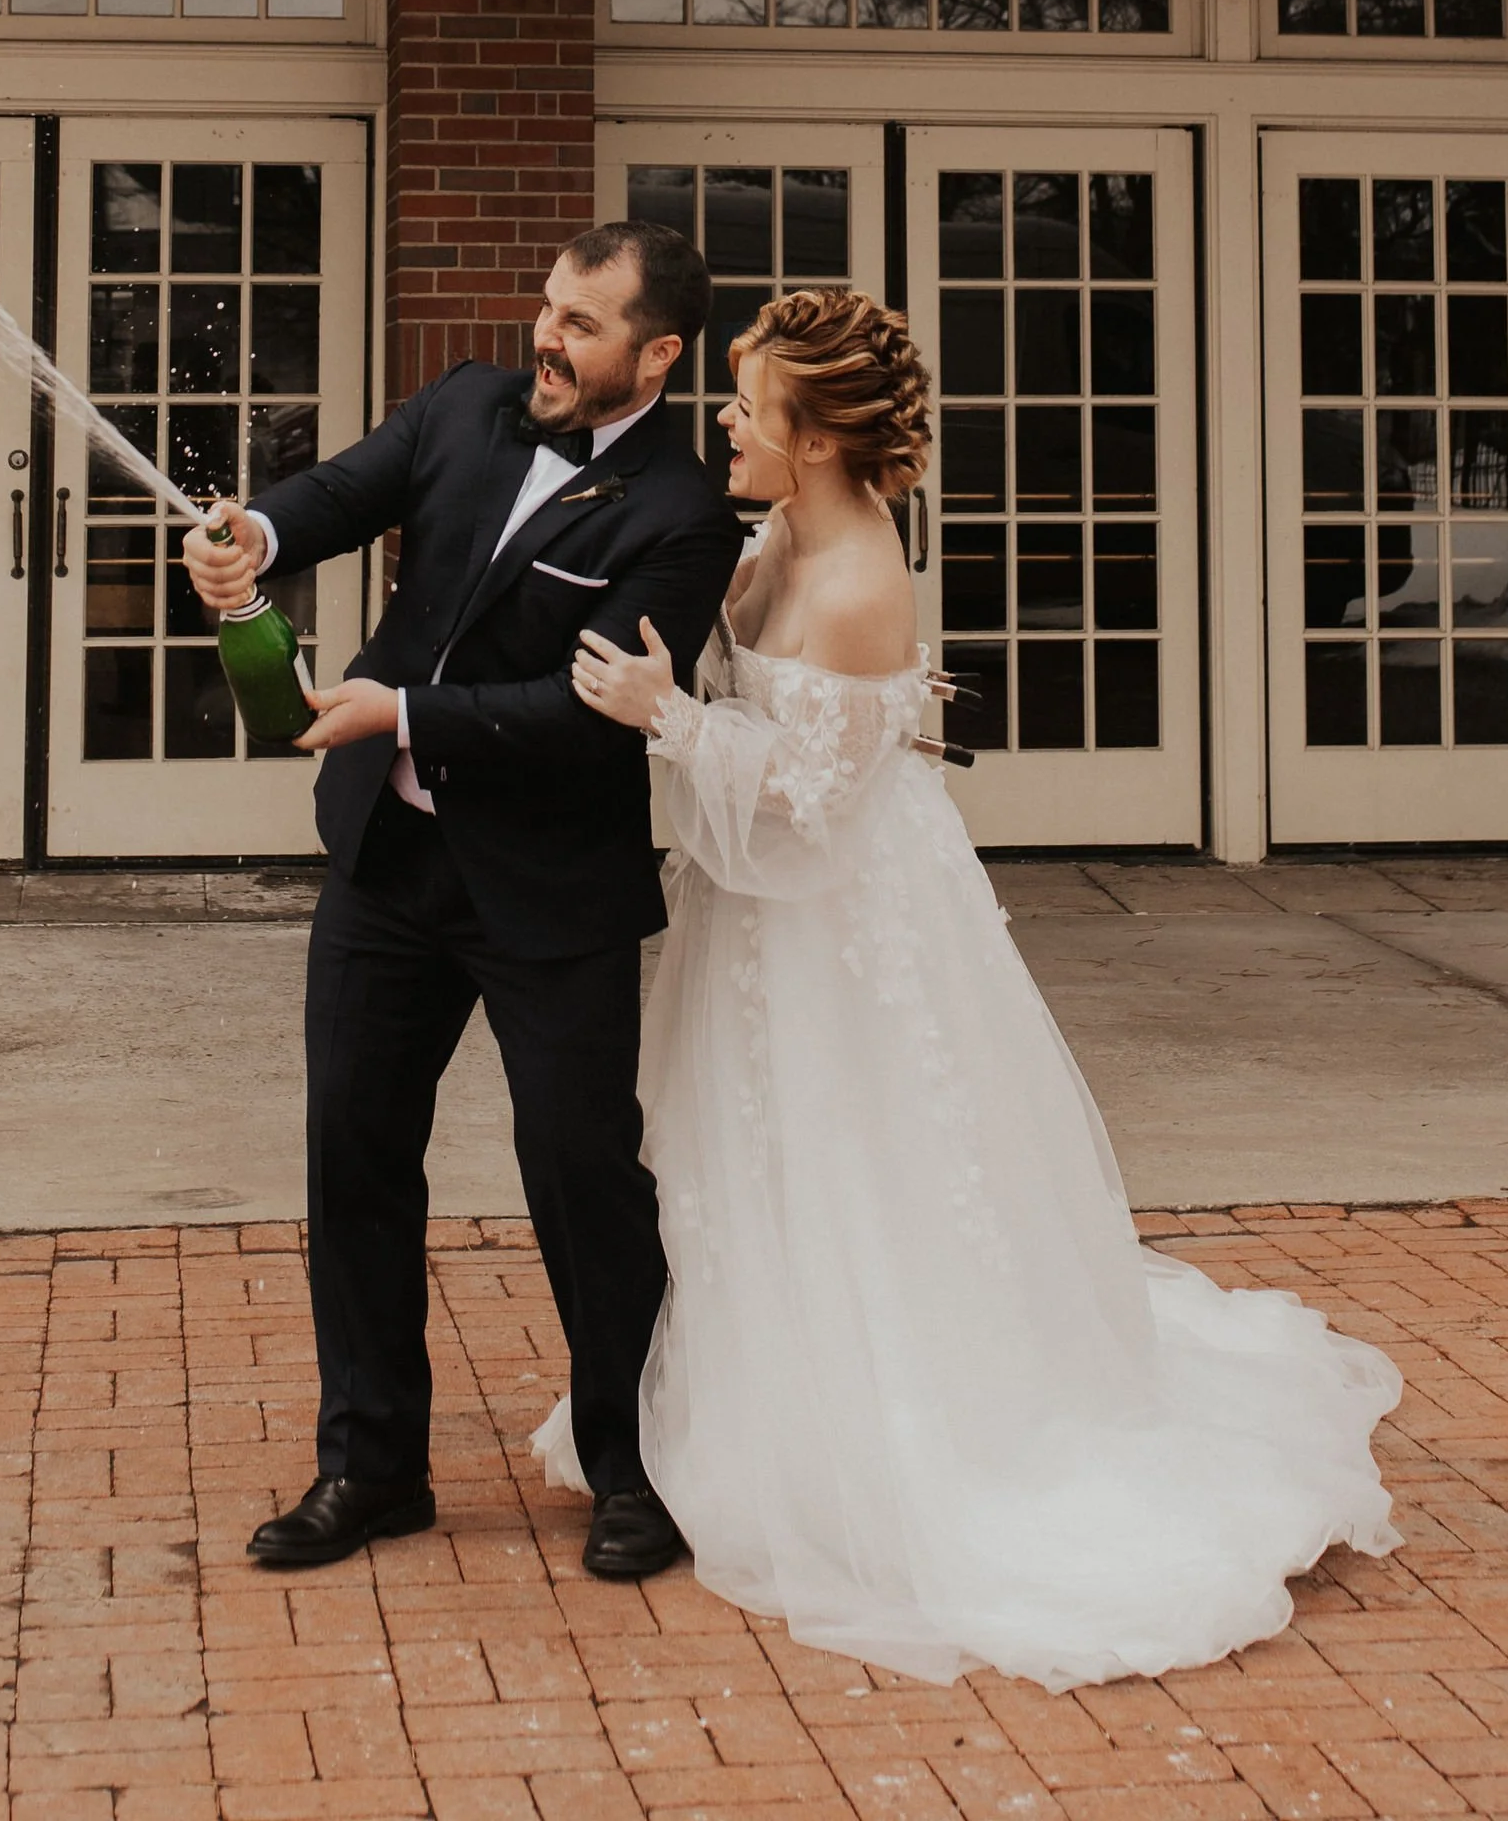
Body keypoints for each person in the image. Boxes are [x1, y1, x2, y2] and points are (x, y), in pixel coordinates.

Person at [562, 284, 1402, 1691]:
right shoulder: (778, 533)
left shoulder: (856, 581)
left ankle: (900, 1431)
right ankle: (755, 1400)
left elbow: (814, 818)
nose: (720, 416)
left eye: (746, 403)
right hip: (765, 923)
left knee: (862, 1155)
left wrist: (673, 722)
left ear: (816, 439)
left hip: (838, 923)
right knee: (754, 1154)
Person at [182, 218, 744, 1583]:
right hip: (389, 864)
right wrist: (250, 533)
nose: (546, 338)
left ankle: (634, 1469)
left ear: (658, 354)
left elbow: (595, 709)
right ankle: (369, 1468)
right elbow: (337, 493)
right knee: (355, 1157)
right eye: (548, 305)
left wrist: (407, 708)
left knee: (580, 1180)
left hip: (553, 890)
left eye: (583, 324)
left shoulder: (686, 511)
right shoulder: (462, 406)